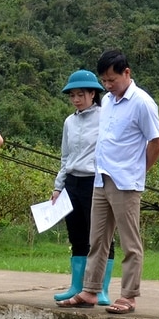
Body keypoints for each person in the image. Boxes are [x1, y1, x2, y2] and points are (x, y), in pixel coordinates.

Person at [57, 50, 159, 314]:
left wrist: (140, 171)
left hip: (126, 181)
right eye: (104, 81)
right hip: (100, 179)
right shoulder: (109, 102)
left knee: (129, 242)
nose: (107, 86)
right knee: (97, 239)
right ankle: (90, 291)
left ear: (126, 73)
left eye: (111, 80)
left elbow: (156, 143)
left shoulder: (142, 102)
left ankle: (128, 296)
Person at [51, 69, 115, 304]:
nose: (76, 99)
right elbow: (65, 157)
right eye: (72, 96)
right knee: (77, 235)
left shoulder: (104, 116)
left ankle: (101, 289)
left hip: (95, 181)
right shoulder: (70, 121)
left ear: (92, 94)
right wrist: (58, 187)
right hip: (72, 182)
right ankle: (76, 286)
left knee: (100, 236)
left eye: (81, 94)